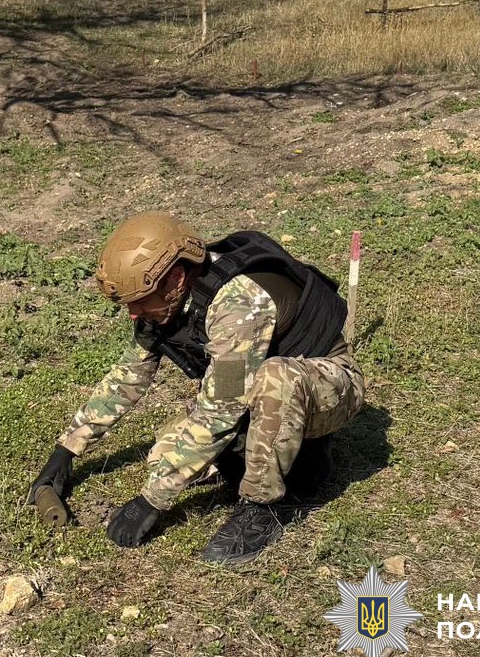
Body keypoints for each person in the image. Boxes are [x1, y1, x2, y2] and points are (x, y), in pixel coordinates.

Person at [28, 212, 366, 565]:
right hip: (260, 395)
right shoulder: (167, 301)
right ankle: (297, 461)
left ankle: (266, 507)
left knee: (275, 379)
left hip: (327, 387)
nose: (133, 313)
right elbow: (127, 376)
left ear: (175, 277)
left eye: (141, 301)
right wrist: (66, 450)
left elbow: (221, 411)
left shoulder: (238, 305)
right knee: (164, 454)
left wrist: (152, 500)